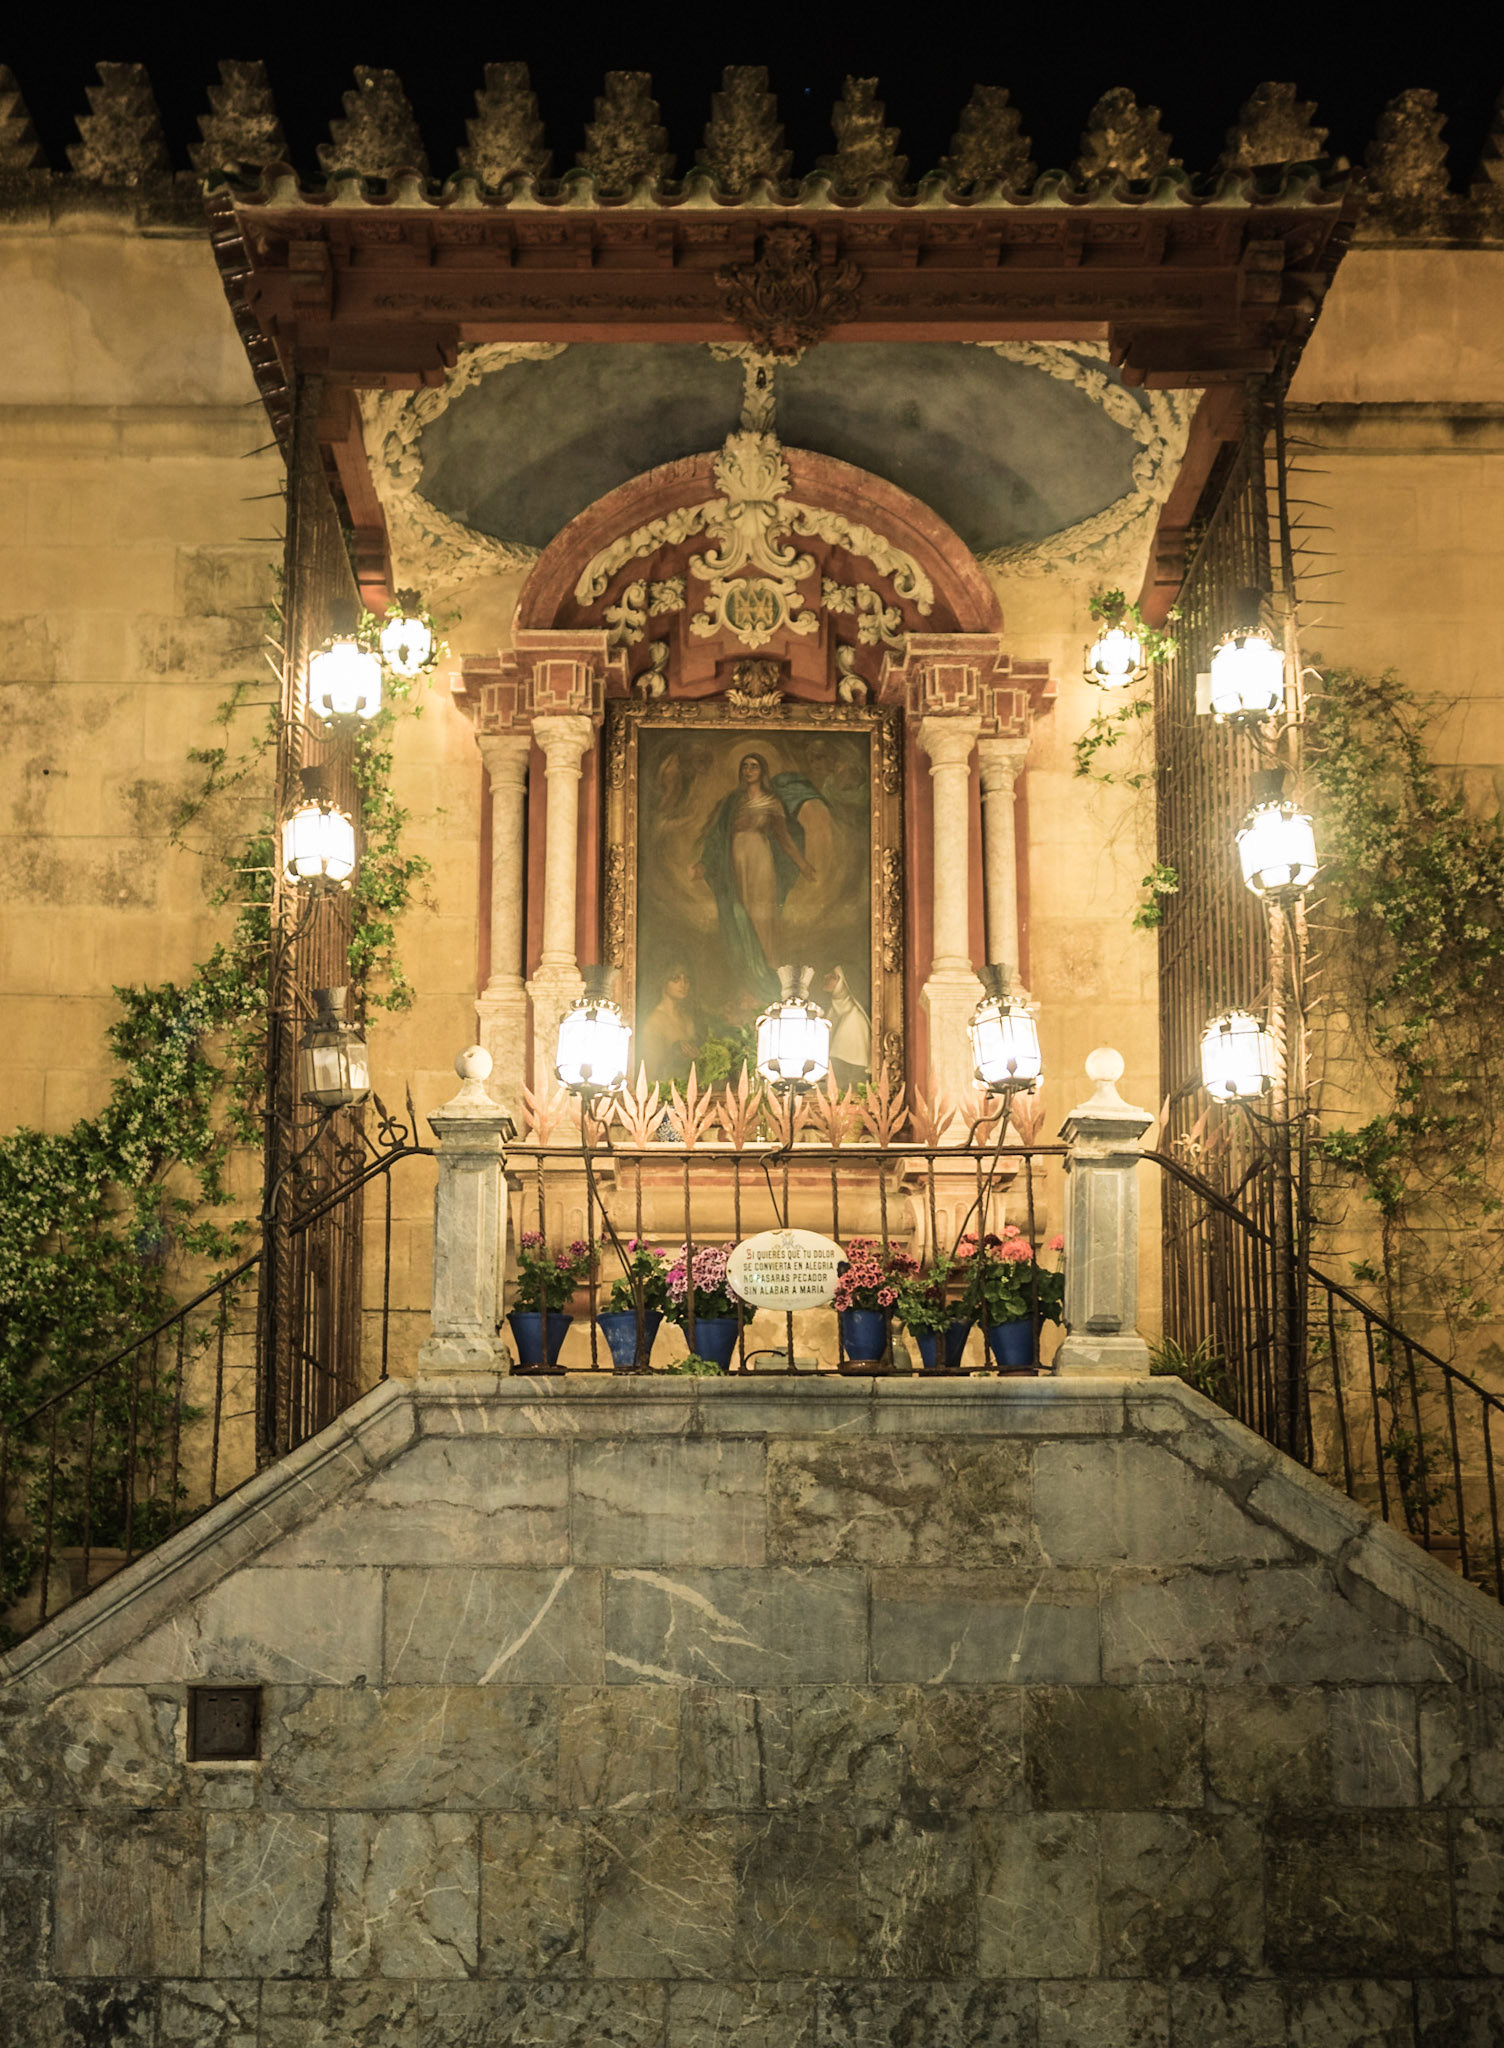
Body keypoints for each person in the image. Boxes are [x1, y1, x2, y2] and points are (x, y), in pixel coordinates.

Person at [692, 752, 824, 1010]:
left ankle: (765, 981)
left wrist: (803, 864)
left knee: (761, 919)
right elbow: (718, 836)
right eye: (745, 766)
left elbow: (784, 837)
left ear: (762, 771)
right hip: (736, 862)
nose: (748, 770)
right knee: (738, 916)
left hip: (760, 861)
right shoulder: (733, 801)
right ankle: (745, 983)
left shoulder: (771, 801)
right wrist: (704, 863)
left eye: (754, 766)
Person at [640, 964, 699, 1082]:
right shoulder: (654, 1022)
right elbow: (652, 1073)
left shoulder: (687, 1020)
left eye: (686, 979)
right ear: (663, 981)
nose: (683, 985)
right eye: (675, 979)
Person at [824, 964, 872, 1086]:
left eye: (833, 976)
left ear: (842, 983)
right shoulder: (833, 1011)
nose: (826, 977)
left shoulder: (856, 1018)